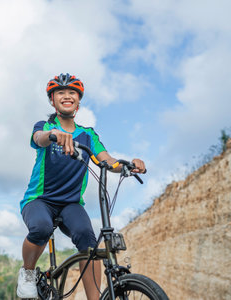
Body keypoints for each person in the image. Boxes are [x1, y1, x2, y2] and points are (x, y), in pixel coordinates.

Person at [16, 73, 146, 299]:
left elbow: (107, 160)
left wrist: (128, 164)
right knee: (41, 228)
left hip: (71, 204)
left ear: (78, 99)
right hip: (39, 200)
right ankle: (27, 273)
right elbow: (39, 138)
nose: (67, 96)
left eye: (72, 92)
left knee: (89, 240)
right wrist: (53, 134)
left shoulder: (87, 135)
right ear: (52, 100)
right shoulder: (45, 126)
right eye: (60, 92)